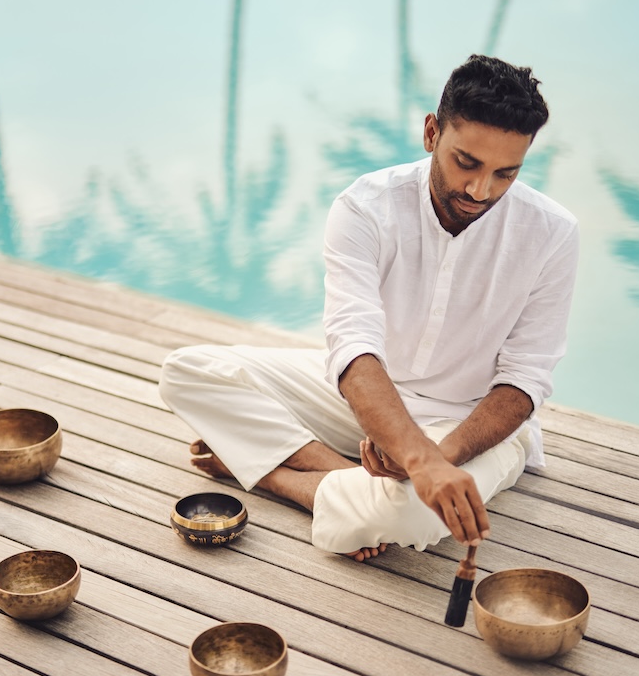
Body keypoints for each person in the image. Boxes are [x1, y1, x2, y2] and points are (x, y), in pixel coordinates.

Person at [159, 54, 579, 561]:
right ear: (431, 132)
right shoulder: (365, 207)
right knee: (188, 371)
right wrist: (415, 460)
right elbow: (354, 345)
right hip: (368, 400)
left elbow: (524, 379)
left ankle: (278, 477)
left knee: (419, 512)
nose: (479, 189)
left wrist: (435, 461)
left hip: (468, 422)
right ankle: (346, 482)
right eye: (466, 162)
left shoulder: (552, 233)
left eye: (504, 173)